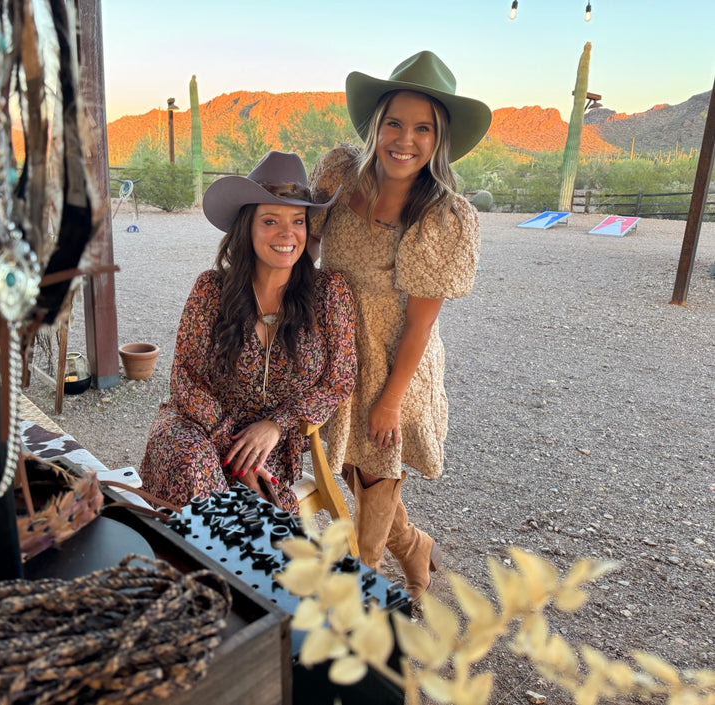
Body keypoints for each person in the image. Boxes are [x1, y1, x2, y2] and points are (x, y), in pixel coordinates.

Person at [308, 51, 492, 600]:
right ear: (376, 124)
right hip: (337, 345)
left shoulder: (444, 215)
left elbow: (419, 323)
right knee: (348, 467)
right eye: (394, 123)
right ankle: (412, 545)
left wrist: (391, 398)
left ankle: (361, 590)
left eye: (422, 128)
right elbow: (305, 241)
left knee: (378, 470)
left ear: (440, 140)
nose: (404, 139)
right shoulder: (340, 171)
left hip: (397, 357)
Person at [140, 151, 356, 514]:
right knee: (192, 467)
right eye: (271, 221)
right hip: (198, 427)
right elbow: (185, 380)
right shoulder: (212, 290)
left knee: (245, 511)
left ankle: (216, 565)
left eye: (298, 221)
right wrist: (231, 443)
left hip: (268, 448)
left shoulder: (328, 294)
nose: (288, 234)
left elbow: (339, 381)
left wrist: (277, 424)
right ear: (248, 227)